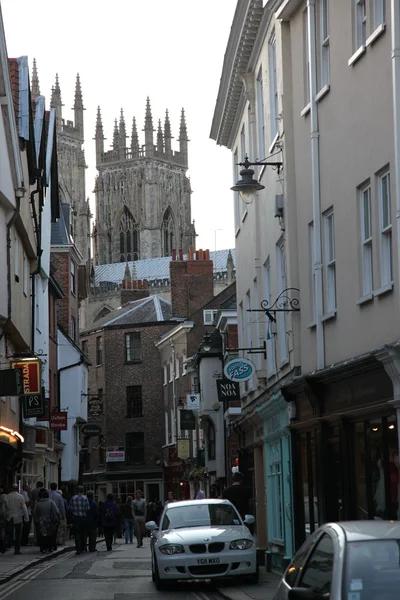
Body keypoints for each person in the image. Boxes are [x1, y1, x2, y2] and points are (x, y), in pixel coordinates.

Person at [5, 484, 29, 555]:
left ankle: (6, 545)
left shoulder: (7, 496)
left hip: (9, 517)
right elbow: (24, 508)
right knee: (18, 534)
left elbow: (4, 507)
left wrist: (5, 515)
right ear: (17, 489)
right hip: (18, 517)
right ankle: (17, 550)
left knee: (8, 532)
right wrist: (26, 518)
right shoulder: (20, 497)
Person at [68, 486, 90, 555]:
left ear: (76, 491)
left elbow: (70, 508)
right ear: (83, 491)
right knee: (83, 533)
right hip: (83, 517)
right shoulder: (85, 498)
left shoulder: (73, 498)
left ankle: (78, 549)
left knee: (77, 533)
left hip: (76, 517)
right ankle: (84, 547)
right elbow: (87, 508)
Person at [30, 481, 44, 545]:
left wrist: (32, 510)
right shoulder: (45, 490)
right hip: (43, 510)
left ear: (37, 485)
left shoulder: (33, 491)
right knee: (43, 526)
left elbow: (31, 502)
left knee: (36, 526)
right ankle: (42, 539)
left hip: (35, 510)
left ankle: (36, 539)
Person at [0, 485, 7, 553]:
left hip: (2, 515)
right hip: (2, 514)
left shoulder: (3, 496)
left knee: (2, 530)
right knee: (2, 531)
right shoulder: (4, 496)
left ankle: (2, 546)